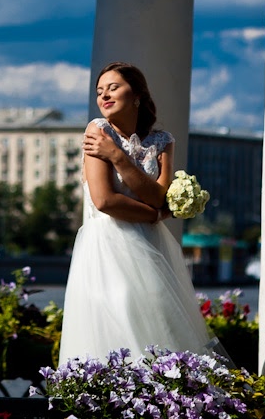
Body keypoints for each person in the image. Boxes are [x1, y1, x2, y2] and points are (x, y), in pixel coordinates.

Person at [57, 61, 227, 366]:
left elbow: (160, 196)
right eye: (99, 91)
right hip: (108, 246)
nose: (104, 96)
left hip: (152, 248)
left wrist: (117, 158)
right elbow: (105, 201)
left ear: (136, 95)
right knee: (118, 318)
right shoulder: (98, 129)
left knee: (161, 323)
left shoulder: (162, 142)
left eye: (113, 87)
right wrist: (152, 214)